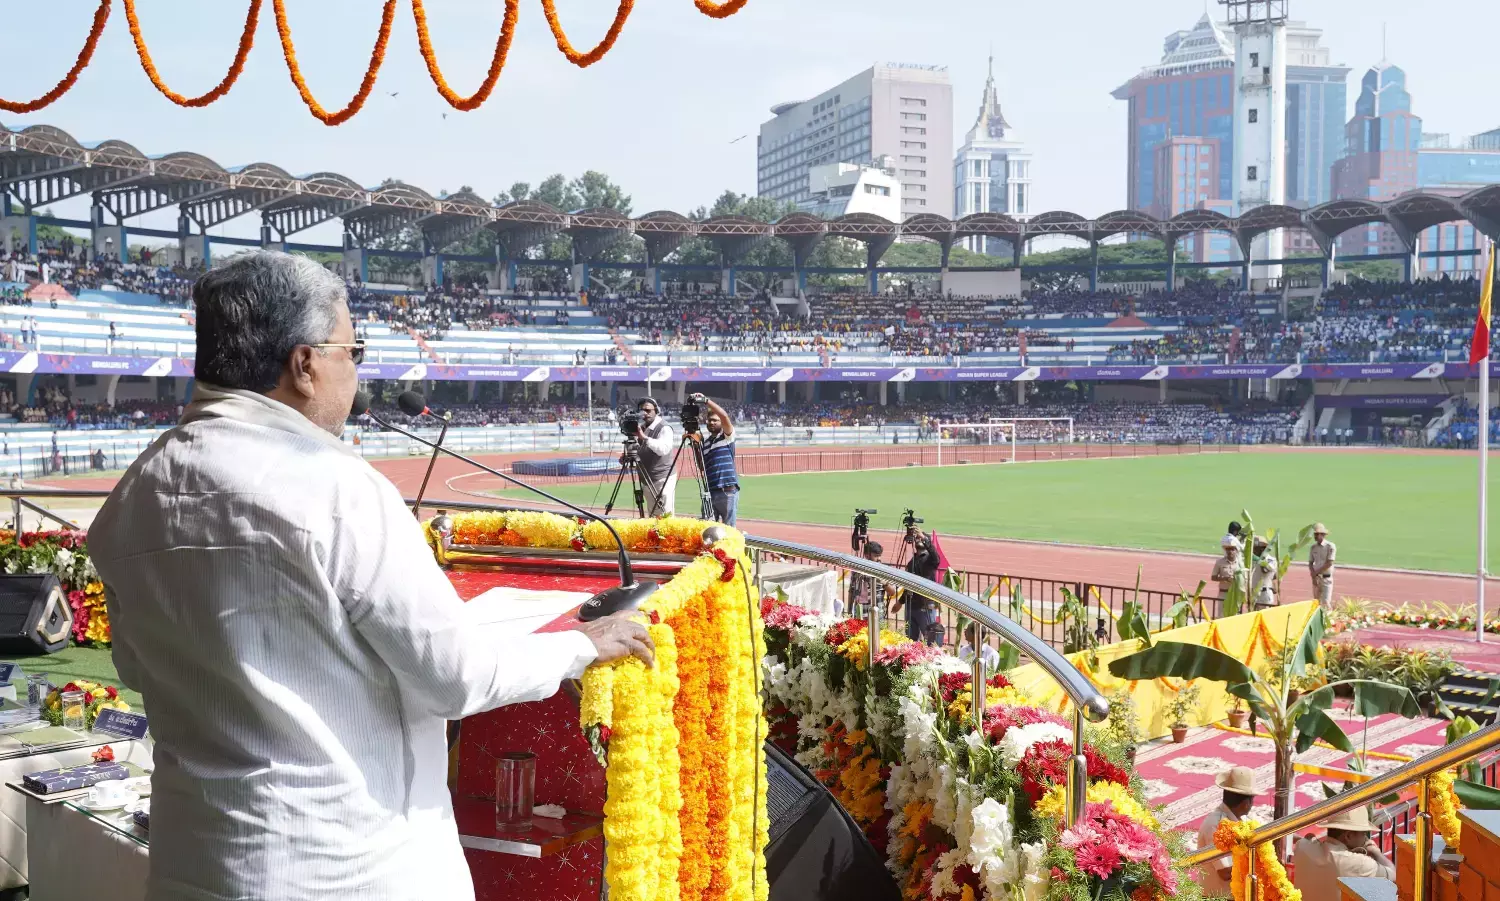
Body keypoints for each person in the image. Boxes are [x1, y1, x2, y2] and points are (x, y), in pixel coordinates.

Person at [87, 251, 655, 901]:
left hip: (194, 864)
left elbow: (136, 668)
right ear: (305, 365)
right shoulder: (335, 485)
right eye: (352, 350)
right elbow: (455, 676)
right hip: (346, 871)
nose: (356, 371)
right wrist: (580, 645)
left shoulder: (133, 494)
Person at [1293, 806, 1395, 901]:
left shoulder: (1302, 847)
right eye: (1363, 834)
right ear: (1348, 836)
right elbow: (1392, 874)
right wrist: (1375, 851)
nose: (1365, 838)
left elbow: (1308, 838)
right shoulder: (1358, 863)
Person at [1197, 766, 1260, 898]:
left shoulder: (1244, 819)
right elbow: (1225, 872)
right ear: (1246, 803)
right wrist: (1258, 864)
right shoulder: (1216, 825)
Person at [889, 526, 942, 646]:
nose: (919, 539)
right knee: (910, 641)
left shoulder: (930, 560)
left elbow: (936, 557)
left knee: (930, 641)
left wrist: (924, 538)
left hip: (925, 606)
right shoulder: (911, 562)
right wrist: (900, 602)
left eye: (921, 538)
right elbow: (909, 585)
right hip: (911, 606)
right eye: (917, 538)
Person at [692, 393, 739, 525]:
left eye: (715, 420)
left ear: (721, 423)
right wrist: (696, 446)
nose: (711, 422)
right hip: (710, 491)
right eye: (709, 420)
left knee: (729, 529)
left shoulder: (726, 436)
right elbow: (701, 466)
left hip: (727, 490)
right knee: (707, 528)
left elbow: (724, 416)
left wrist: (706, 401)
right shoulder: (706, 443)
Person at [635, 396, 676, 515]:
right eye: (642, 410)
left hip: (662, 478)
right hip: (647, 478)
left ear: (656, 411)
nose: (645, 413)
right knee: (652, 514)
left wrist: (644, 438)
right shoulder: (642, 427)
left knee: (665, 514)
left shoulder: (664, 427)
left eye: (648, 410)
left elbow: (663, 449)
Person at [846, 540, 890, 619]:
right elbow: (851, 590)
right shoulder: (857, 570)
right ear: (867, 555)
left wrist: (885, 583)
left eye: (880, 555)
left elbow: (892, 592)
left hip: (878, 613)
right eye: (876, 556)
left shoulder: (883, 570)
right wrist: (849, 611)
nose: (879, 558)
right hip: (861, 613)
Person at [1211, 537, 1247, 602]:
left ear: (1236, 551)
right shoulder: (1219, 562)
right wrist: (1225, 578)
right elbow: (1213, 577)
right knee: (1221, 609)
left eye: (1232, 549)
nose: (1230, 551)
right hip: (1223, 593)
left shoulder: (1241, 564)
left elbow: (1245, 579)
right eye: (1228, 549)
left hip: (1236, 594)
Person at [1309, 523, 1336, 606]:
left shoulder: (1330, 546)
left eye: (1317, 534)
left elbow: (1329, 563)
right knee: (1316, 602)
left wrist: (1316, 572)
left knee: (1326, 603)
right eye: (1315, 534)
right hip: (1316, 578)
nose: (1315, 536)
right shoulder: (1313, 547)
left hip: (1326, 578)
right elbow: (1310, 562)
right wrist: (1313, 576)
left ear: (1323, 535)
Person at [1249, 535, 1278, 609]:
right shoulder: (1252, 560)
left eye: (1255, 548)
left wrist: (1260, 559)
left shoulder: (1270, 560)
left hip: (1264, 594)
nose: (1253, 550)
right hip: (1254, 593)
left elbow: (1265, 570)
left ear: (1262, 549)